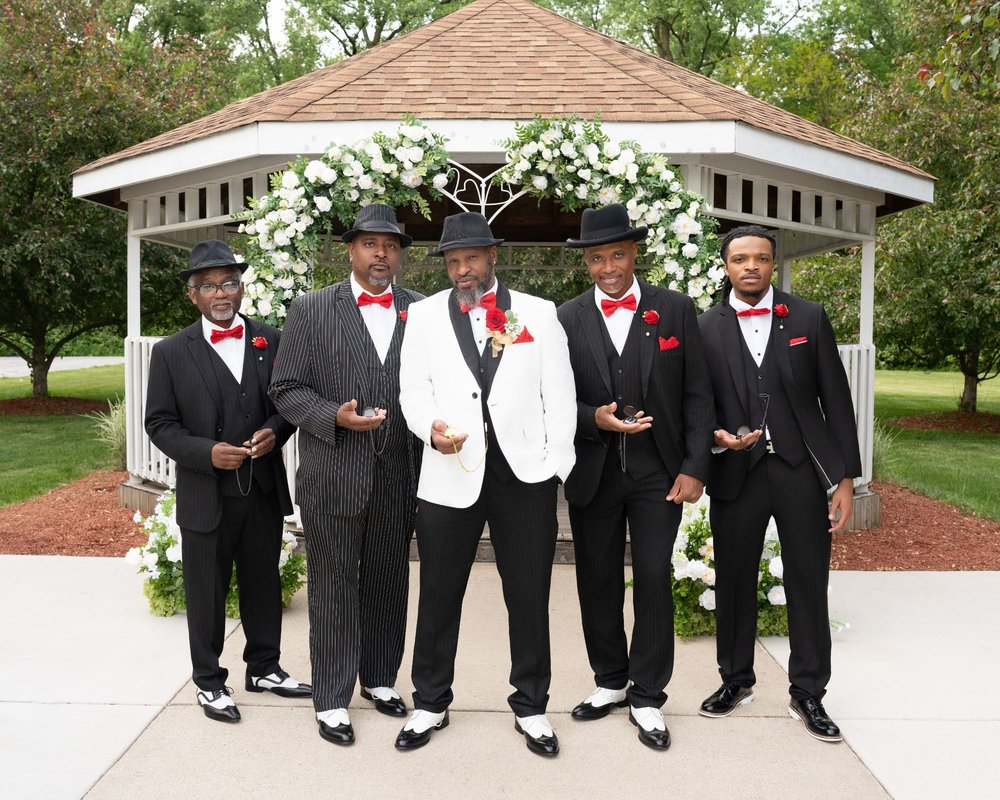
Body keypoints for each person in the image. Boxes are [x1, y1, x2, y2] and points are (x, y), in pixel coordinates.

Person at [395, 212, 576, 757]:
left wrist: (555, 465)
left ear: (492, 256)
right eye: (452, 261)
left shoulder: (537, 313)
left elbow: (559, 393)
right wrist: (430, 429)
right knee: (438, 594)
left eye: (470, 258)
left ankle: (532, 706)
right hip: (451, 472)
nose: (461, 270)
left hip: (525, 477)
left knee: (529, 596)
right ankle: (430, 702)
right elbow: (413, 389)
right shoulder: (423, 315)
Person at [556, 204, 715, 750]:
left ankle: (647, 695)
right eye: (596, 258)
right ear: (586, 263)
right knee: (596, 579)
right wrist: (591, 419)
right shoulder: (566, 317)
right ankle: (610, 680)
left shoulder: (674, 309)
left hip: (658, 474)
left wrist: (695, 466)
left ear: (635, 253)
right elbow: (553, 397)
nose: (607, 268)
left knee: (651, 577)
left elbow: (698, 393)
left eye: (617, 255)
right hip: (594, 471)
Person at [696, 224, 861, 743]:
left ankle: (809, 691)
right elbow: (696, 403)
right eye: (740, 259)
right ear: (726, 266)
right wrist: (716, 437)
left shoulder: (808, 317)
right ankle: (735, 680)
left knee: (808, 580)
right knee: (733, 580)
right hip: (735, 473)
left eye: (761, 258)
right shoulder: (704, 327)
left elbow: (836, 399)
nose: (751, 266)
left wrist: (844, 478)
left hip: (799, 470)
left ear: (773, 264)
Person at [268, 204, 424, 745]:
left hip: (400, 474)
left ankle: (380, 679)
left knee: (388, 578)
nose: (382, 254)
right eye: (370, 244)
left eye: (391, 245)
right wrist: (333, 416)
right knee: (333, 583)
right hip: (333, 473)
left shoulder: (421, 310)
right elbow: (285, 389)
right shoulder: (311, 309)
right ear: (350, 250)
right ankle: (332, 697)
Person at [145, 239, 310, 724]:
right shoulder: (170, 352)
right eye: (210, 286)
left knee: (263, 582)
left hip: (261, 488)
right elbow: (160, 423)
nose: (221, 294)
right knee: (206, 590)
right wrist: (206, 453)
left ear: (241, 288)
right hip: (206, 494)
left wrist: (276, 431)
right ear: (193, 294)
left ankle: (264, 668)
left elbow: (288, 402)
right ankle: (209, 681)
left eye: (230, 283)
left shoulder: (271, 340)